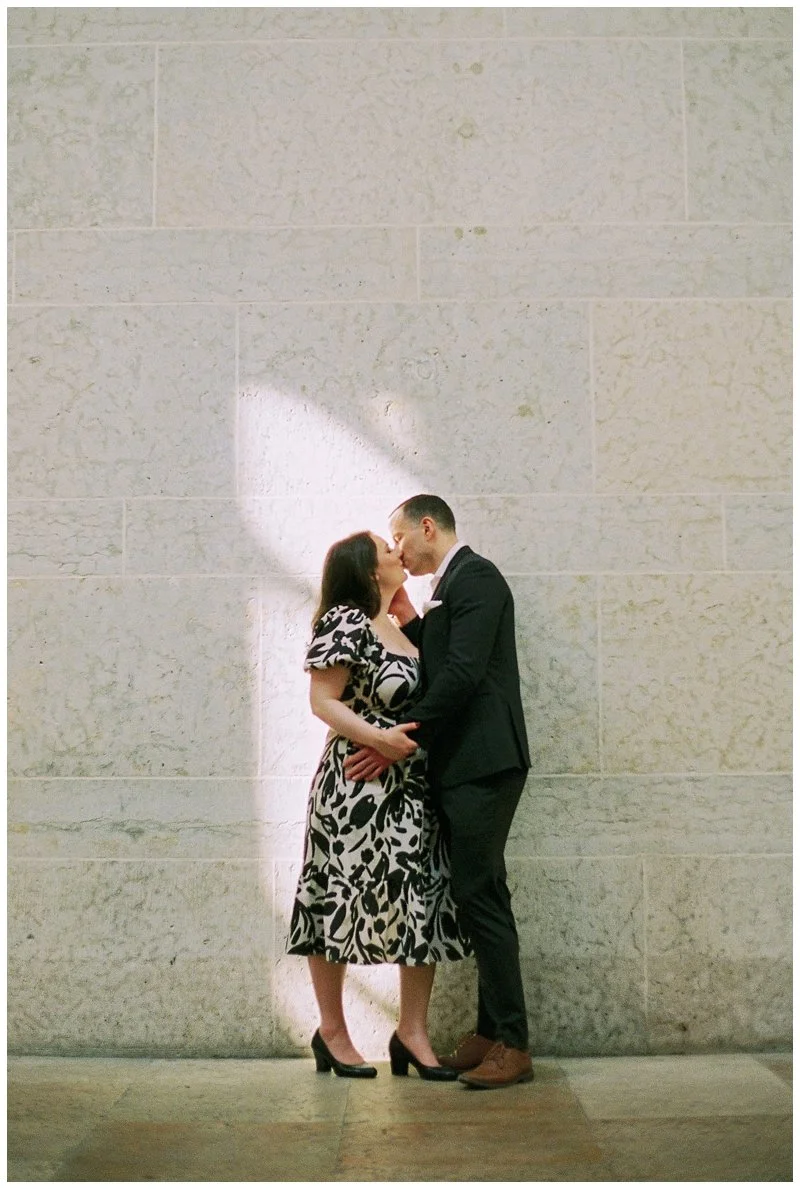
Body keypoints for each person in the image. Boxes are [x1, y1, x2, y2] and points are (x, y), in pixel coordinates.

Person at [344, 495, 533, 1089]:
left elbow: (462, 676)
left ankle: (513, 1042)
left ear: (429, 527)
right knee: (475, 891)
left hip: (484, 762)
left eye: (399, 537)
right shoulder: (451, 586)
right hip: (462, 764)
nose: (396, 550)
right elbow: (445, 658)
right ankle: (488, 1032)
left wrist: (395, 737)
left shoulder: (477, 577)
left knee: (481, 892)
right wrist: (410, 619)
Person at [286, 529, 470, 1081]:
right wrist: (377, 738)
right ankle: (333, 1031)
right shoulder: (345, 619)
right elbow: (322, 700)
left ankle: (412, 1034)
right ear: (367, 570)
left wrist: (399, 747)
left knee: (420, 899)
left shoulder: (396, 624)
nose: (398, 552)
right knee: (337, 899)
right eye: (386, 550)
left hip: (409, 785)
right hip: (354, 789)